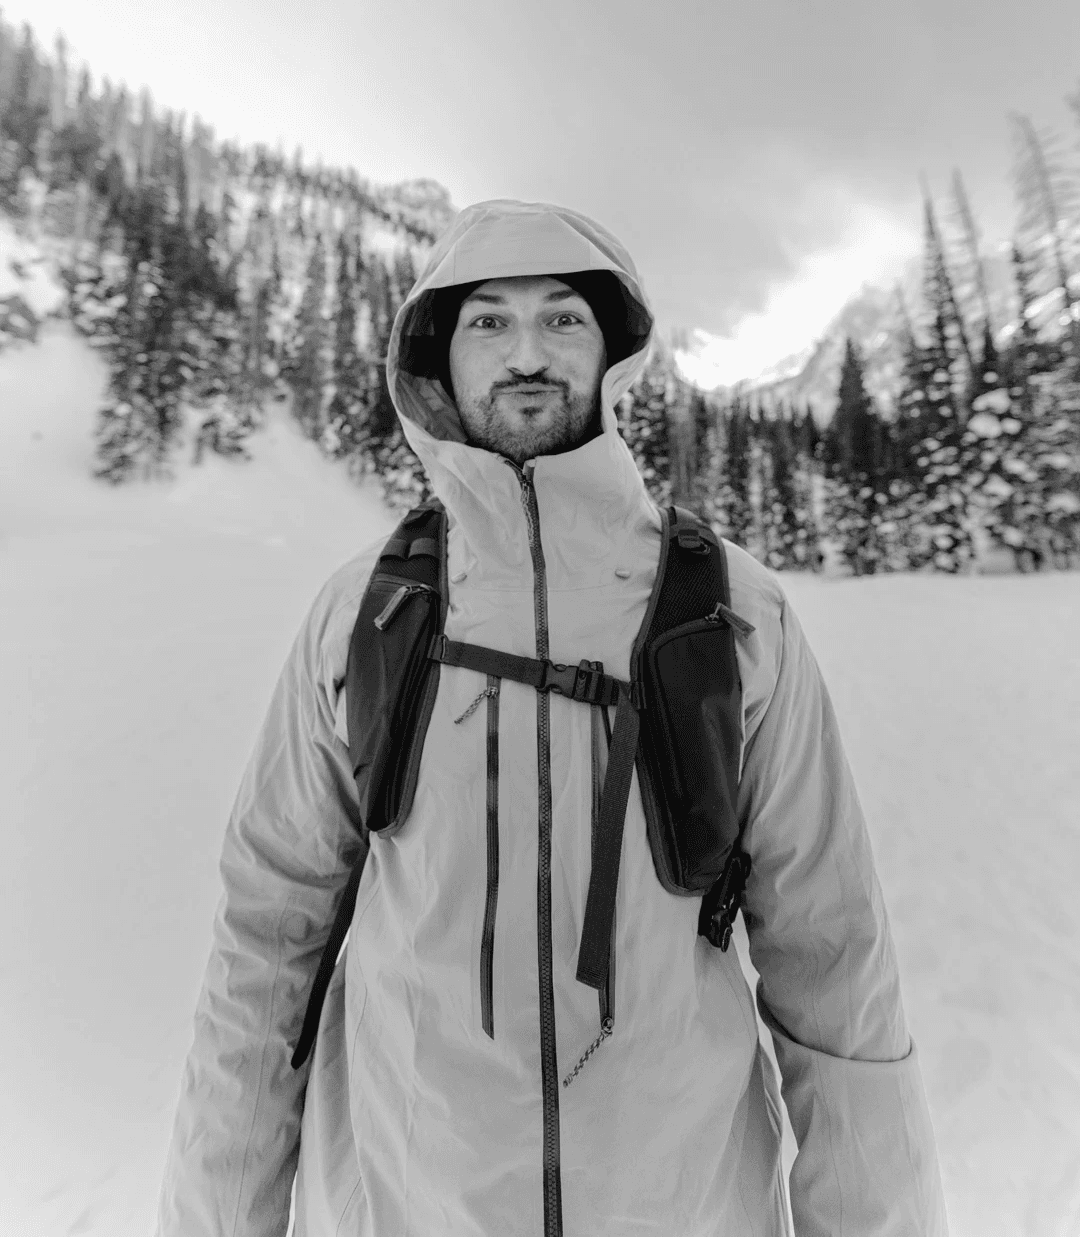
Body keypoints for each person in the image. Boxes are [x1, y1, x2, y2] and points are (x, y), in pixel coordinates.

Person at [156, 199, 949, 1236]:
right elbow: (266, 951)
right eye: (488, 320)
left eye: (561, 319)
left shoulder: (734, 612)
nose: (526, 353)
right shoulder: (364, 614)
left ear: (614, 350)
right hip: (404, 1205)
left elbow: (835, 961)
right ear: (439, 353)